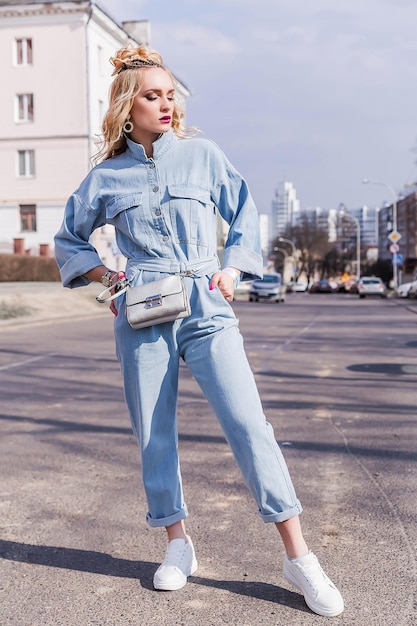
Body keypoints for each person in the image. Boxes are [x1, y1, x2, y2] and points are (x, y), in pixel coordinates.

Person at [54, 45, 344, 618]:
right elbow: (68, 239)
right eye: (152, 95)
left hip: (207, 306)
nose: (166, 105)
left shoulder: (204, 155)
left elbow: (242, 212)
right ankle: (178, 544)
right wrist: (110, 280)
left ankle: (299, 557)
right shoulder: (107, 176)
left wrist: (233, 269)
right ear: (126, 106)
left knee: (248, 425)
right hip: (143, 311)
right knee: (154, 434)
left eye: (170, 95)